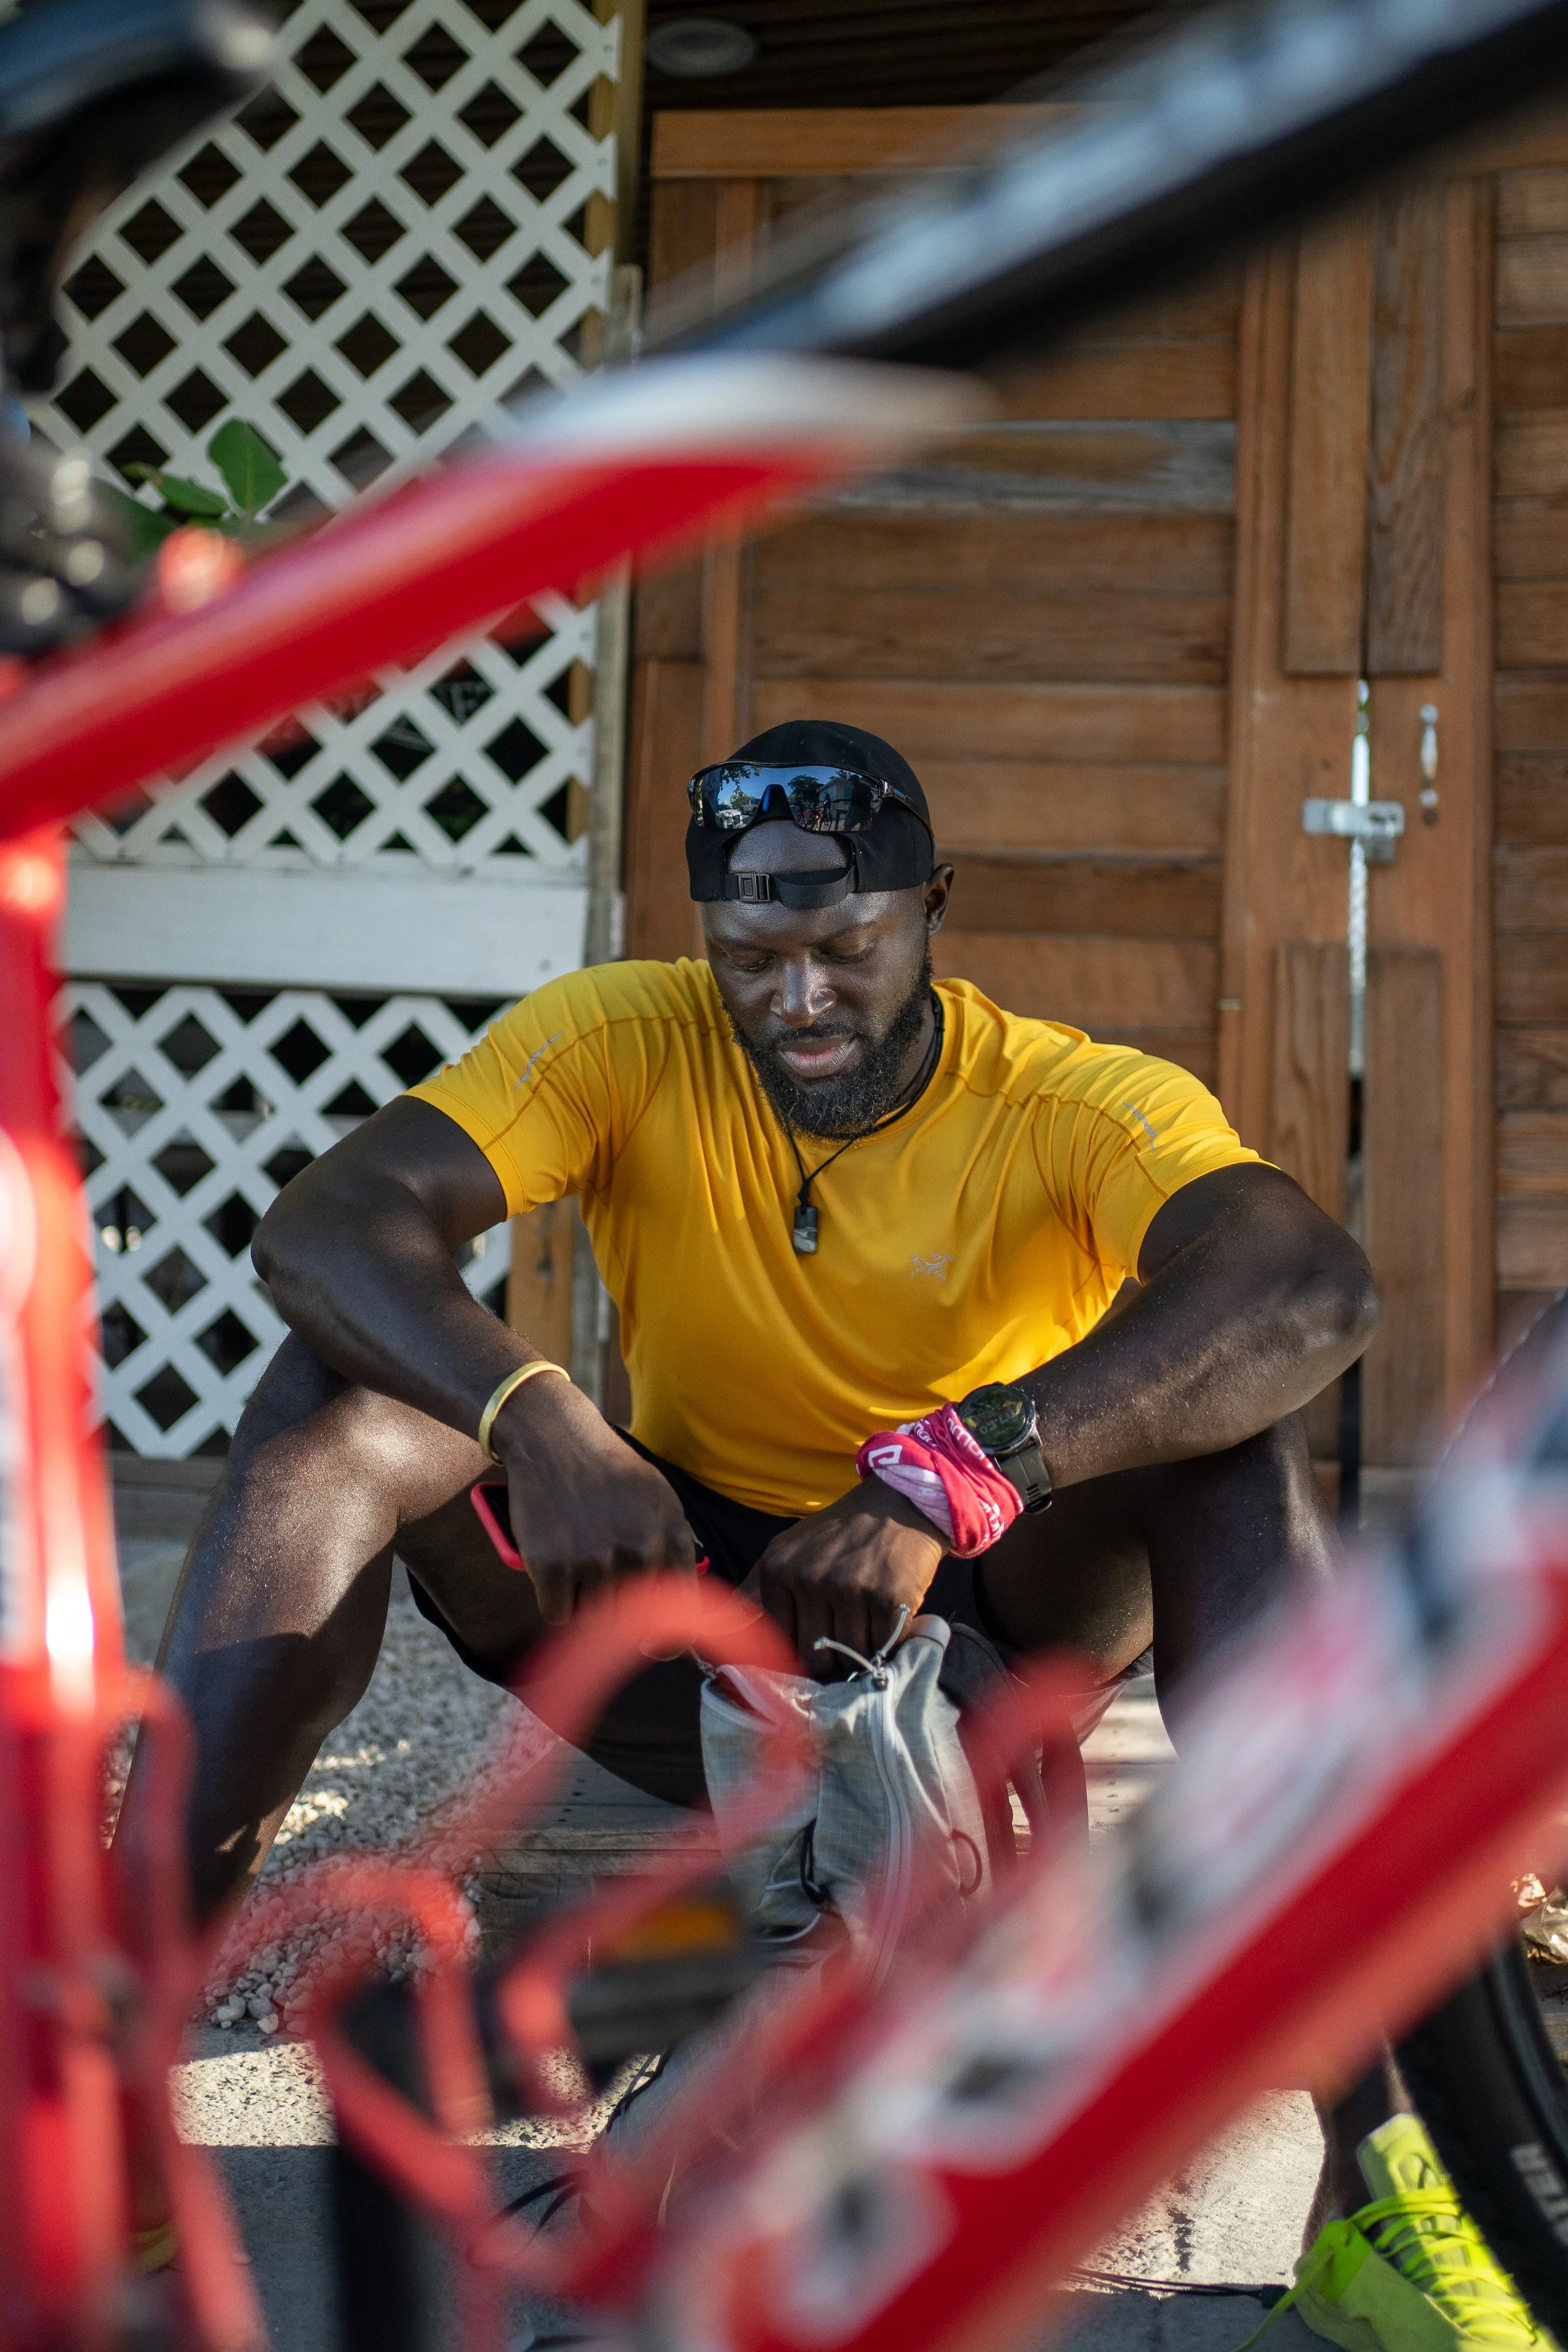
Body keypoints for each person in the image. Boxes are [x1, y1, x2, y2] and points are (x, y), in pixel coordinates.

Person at [115, 719, 1535, 2344]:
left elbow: (1307, 1284)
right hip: (674, 1627)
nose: (798, 997)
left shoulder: (1067, 1096)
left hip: (973, 1637)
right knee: (334, 1397)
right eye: (753, 954)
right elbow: (325, 1223)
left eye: (846, 943)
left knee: (1235, 1450)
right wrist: (537, 1413)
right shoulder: (626, 1032)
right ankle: (107, 2076)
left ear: (932, 905)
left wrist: (949, 1472)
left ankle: (1391, 2173)